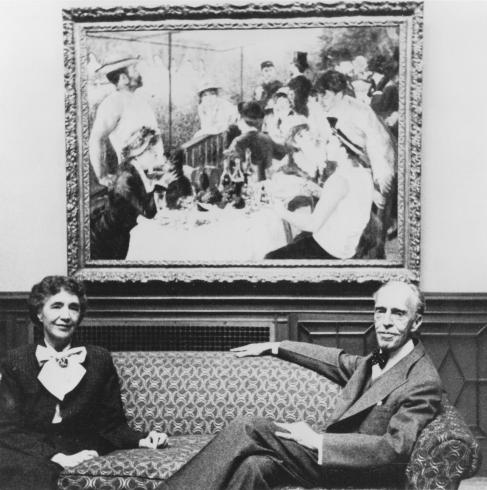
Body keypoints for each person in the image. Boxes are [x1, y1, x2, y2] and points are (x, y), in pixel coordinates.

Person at [160, 280, 443, 490]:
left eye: (398, 314)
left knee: (249, 427)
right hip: (329, 463)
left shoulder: (422, 380)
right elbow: (335, 360)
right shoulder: (375, 361)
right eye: (380, 311)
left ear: (416, 322)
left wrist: (317, 440)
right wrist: (277, 347)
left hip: (359, 472)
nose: (386, 322)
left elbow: (394, 447)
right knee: (254, 467)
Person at [0, 276, 168, 490]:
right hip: (28, 448)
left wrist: (144, 439)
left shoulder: (99, 359)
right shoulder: (17, 360)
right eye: (57, 306)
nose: (65, 316)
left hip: (78, 446)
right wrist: (54, 456)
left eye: (73, 308)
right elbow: (6, 427)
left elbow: (111, 424)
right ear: (40, 313)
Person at [265, 117, 373, 260]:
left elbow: (311, 224)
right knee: (297, 240)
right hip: (349, 246)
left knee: (270, 258)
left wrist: (280, 211)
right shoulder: (362, 172)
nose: (324, 145)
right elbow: (348, 204)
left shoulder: (339, 179)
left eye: (329, 142)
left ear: (342, 148)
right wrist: (322, 193)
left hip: (329, 251)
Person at [314, 70, 396, 211]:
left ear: (339, 95)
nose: (320, 101)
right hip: (356, 162)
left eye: (325, 96)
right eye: (318, 96)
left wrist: (381, 178)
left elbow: (379, 142)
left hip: (382, 164)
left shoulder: (359, 112)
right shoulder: (330, 109)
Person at [90, 126, 168, 259]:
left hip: (121, 234)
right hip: (107, 239)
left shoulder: (134, 170)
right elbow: (148, 211)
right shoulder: (126, 178)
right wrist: (164, 183)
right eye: (152, 152)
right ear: (139, 152)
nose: (156, 156)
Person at [89, 57, 160, 187]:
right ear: (123, 78)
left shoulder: (140, 100)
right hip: (132, 179)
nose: (140, 73)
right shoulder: (113, 102)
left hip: (153, 177)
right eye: (135, 70)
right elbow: (96, 139)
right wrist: (102, 175)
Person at [225, 101, 275, 182]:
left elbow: (235, 171)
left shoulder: (238, 141)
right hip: (266, 183)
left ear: (242, 120)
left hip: (247, 184)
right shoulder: (266, 138)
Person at [287, 51, 312, 116]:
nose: (289, 65)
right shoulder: (303, 80)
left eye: (291, 63)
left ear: (296, 65)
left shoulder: (299, 81)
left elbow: (299, 101)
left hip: (299, 113)